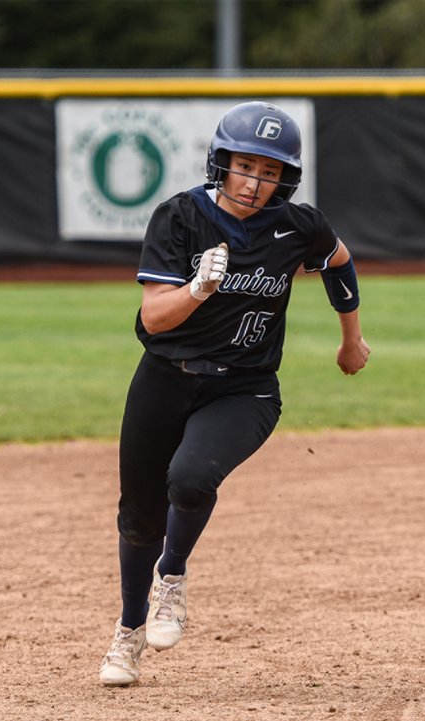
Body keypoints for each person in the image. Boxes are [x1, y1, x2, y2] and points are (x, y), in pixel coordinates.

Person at [99, 101, 371, 686]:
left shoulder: (299, 226)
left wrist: (352, 339)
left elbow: (339, 262)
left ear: (286, 179)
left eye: (270, 171)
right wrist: (198, 287)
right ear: (220, 162)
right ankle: (128, 633)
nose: (255, 181)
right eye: (245, 164)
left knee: (191, 479)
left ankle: (171, 576)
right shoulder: (179, 219)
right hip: (164, 379)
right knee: (139, 517)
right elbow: (156, 318)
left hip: (245, 390)